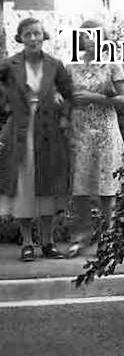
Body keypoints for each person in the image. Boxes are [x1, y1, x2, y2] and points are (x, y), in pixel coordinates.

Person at [0, 18, 73, 261]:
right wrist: (6, 100)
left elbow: (70, 95)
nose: (33, 38)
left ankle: (48, 242)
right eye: (28, 34)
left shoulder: (55, 64)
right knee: (25, 185)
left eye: (37, 33)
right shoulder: (9, 64)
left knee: (47, 186)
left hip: (49, 131)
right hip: (20, 131)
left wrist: (64, 115)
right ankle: (27, 243)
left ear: (44, 36)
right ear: (20, 38)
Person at [66, 19, 124, 258]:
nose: (91, 40)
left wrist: (95, 97)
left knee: (107, 189)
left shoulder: (112, 64)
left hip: (105, 132)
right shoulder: (71, 66)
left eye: (96, 35)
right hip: (80, 132)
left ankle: (108, 239)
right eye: (86, 35)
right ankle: (79, 239)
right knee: (80, 189)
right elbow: (64, 98)